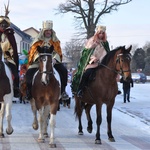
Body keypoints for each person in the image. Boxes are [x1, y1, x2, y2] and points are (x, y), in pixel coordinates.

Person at [26, 20, 68, 100]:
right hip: (39, 61)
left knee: (64, 71)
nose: (48, 32)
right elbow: (33, 52)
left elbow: (58, 52)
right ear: (43, 31)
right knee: (29, 73)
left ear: (51, 31)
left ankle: (63, 91)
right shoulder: (38, 41)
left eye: (49, 31)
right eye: (46, 31)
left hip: (52, 61)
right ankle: (29, 91)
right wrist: (39, 58)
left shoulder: (55, 41)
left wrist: (55, 59)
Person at [71, 25, 110, 97]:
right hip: (93, 63)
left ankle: (112, 89)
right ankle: (80, 89)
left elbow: (107, 53)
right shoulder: (91, 41)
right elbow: (86, 53)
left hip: (103, 64)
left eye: (102, 33)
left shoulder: (105, 43)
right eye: (100, 33)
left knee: (111, 73)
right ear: (97, 33)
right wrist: (94, 58)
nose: (101, 35)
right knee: (87, 73)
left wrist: (103, 60)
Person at [0, 2, 20, 97]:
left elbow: (13, 48)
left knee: (15, 73)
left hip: (8, 57)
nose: (3, 26)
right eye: (1, 25)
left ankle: (16, 88)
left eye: (5, 25)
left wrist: (10, 54)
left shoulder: (10, 34)